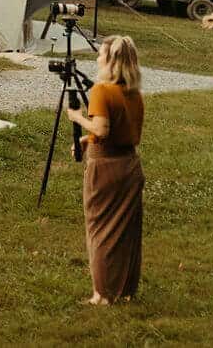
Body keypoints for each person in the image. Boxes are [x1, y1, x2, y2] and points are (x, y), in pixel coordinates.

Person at [67, 34, 145, 305]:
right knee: (125, 232)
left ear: (111, 60)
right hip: (130, 166)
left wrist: (77, 118)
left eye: (101, 54)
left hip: (105, 169)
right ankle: (124, 290)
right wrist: (86, 139)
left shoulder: (101, 90)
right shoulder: (133, 93)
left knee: (100, 230)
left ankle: (101, 295)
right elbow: (123, 132)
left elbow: (102, 128)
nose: (98, 58)